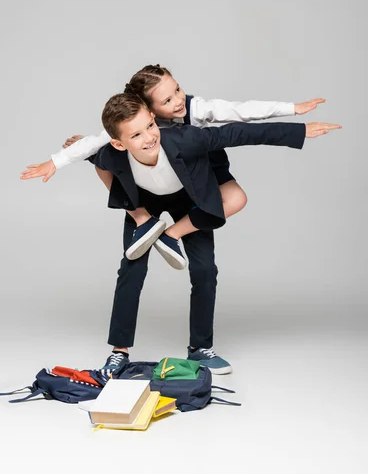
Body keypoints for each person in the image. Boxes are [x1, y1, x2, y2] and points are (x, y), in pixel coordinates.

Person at [81, 92, 339, 375]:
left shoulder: (184, 139)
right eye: (136, 135)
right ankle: (119, 351)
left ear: (155, 119)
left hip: (187, 200)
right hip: (145, 204)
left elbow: (238, 132)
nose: (148, 138)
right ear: (119, 143)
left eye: (150, 127)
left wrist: (299, 131)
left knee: (205, 269)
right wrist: (137, 214)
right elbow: (93, 156)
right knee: (131, 269)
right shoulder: (112, 151)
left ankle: (200, 348)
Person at [21, 65, 326, 267]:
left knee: (236, 199)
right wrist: (56, 161)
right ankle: (144, 220)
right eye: (167, 100)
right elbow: (100, 139)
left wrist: (293, 112)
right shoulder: (141, 124)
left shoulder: (196, 108)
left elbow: (241, 116)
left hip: (205, 163)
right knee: (101, 154)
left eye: (178, 90)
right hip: (166, 176)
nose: (179, 100)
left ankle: (172, 235)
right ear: (148, 108)